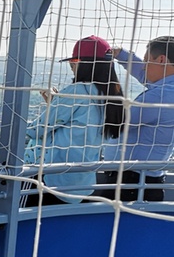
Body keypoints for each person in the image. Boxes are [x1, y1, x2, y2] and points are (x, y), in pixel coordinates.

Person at [24, 35, 124, 205]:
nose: (72, 67)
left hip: (52, 182)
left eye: (74, 61)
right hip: (84, 184)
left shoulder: (76, 91)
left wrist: (55, 105)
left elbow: (37, 129)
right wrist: (57, 103)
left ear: (84, 64)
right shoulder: (112, 96)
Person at [103, 36, 174, 201]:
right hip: (146, 180)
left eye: (147, 60)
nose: (143, 66)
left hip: (132, 184)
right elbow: (143, 74)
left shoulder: (161, 96)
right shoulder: (166, 88)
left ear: (162, 60)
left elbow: (118, 121)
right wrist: (120, 54)